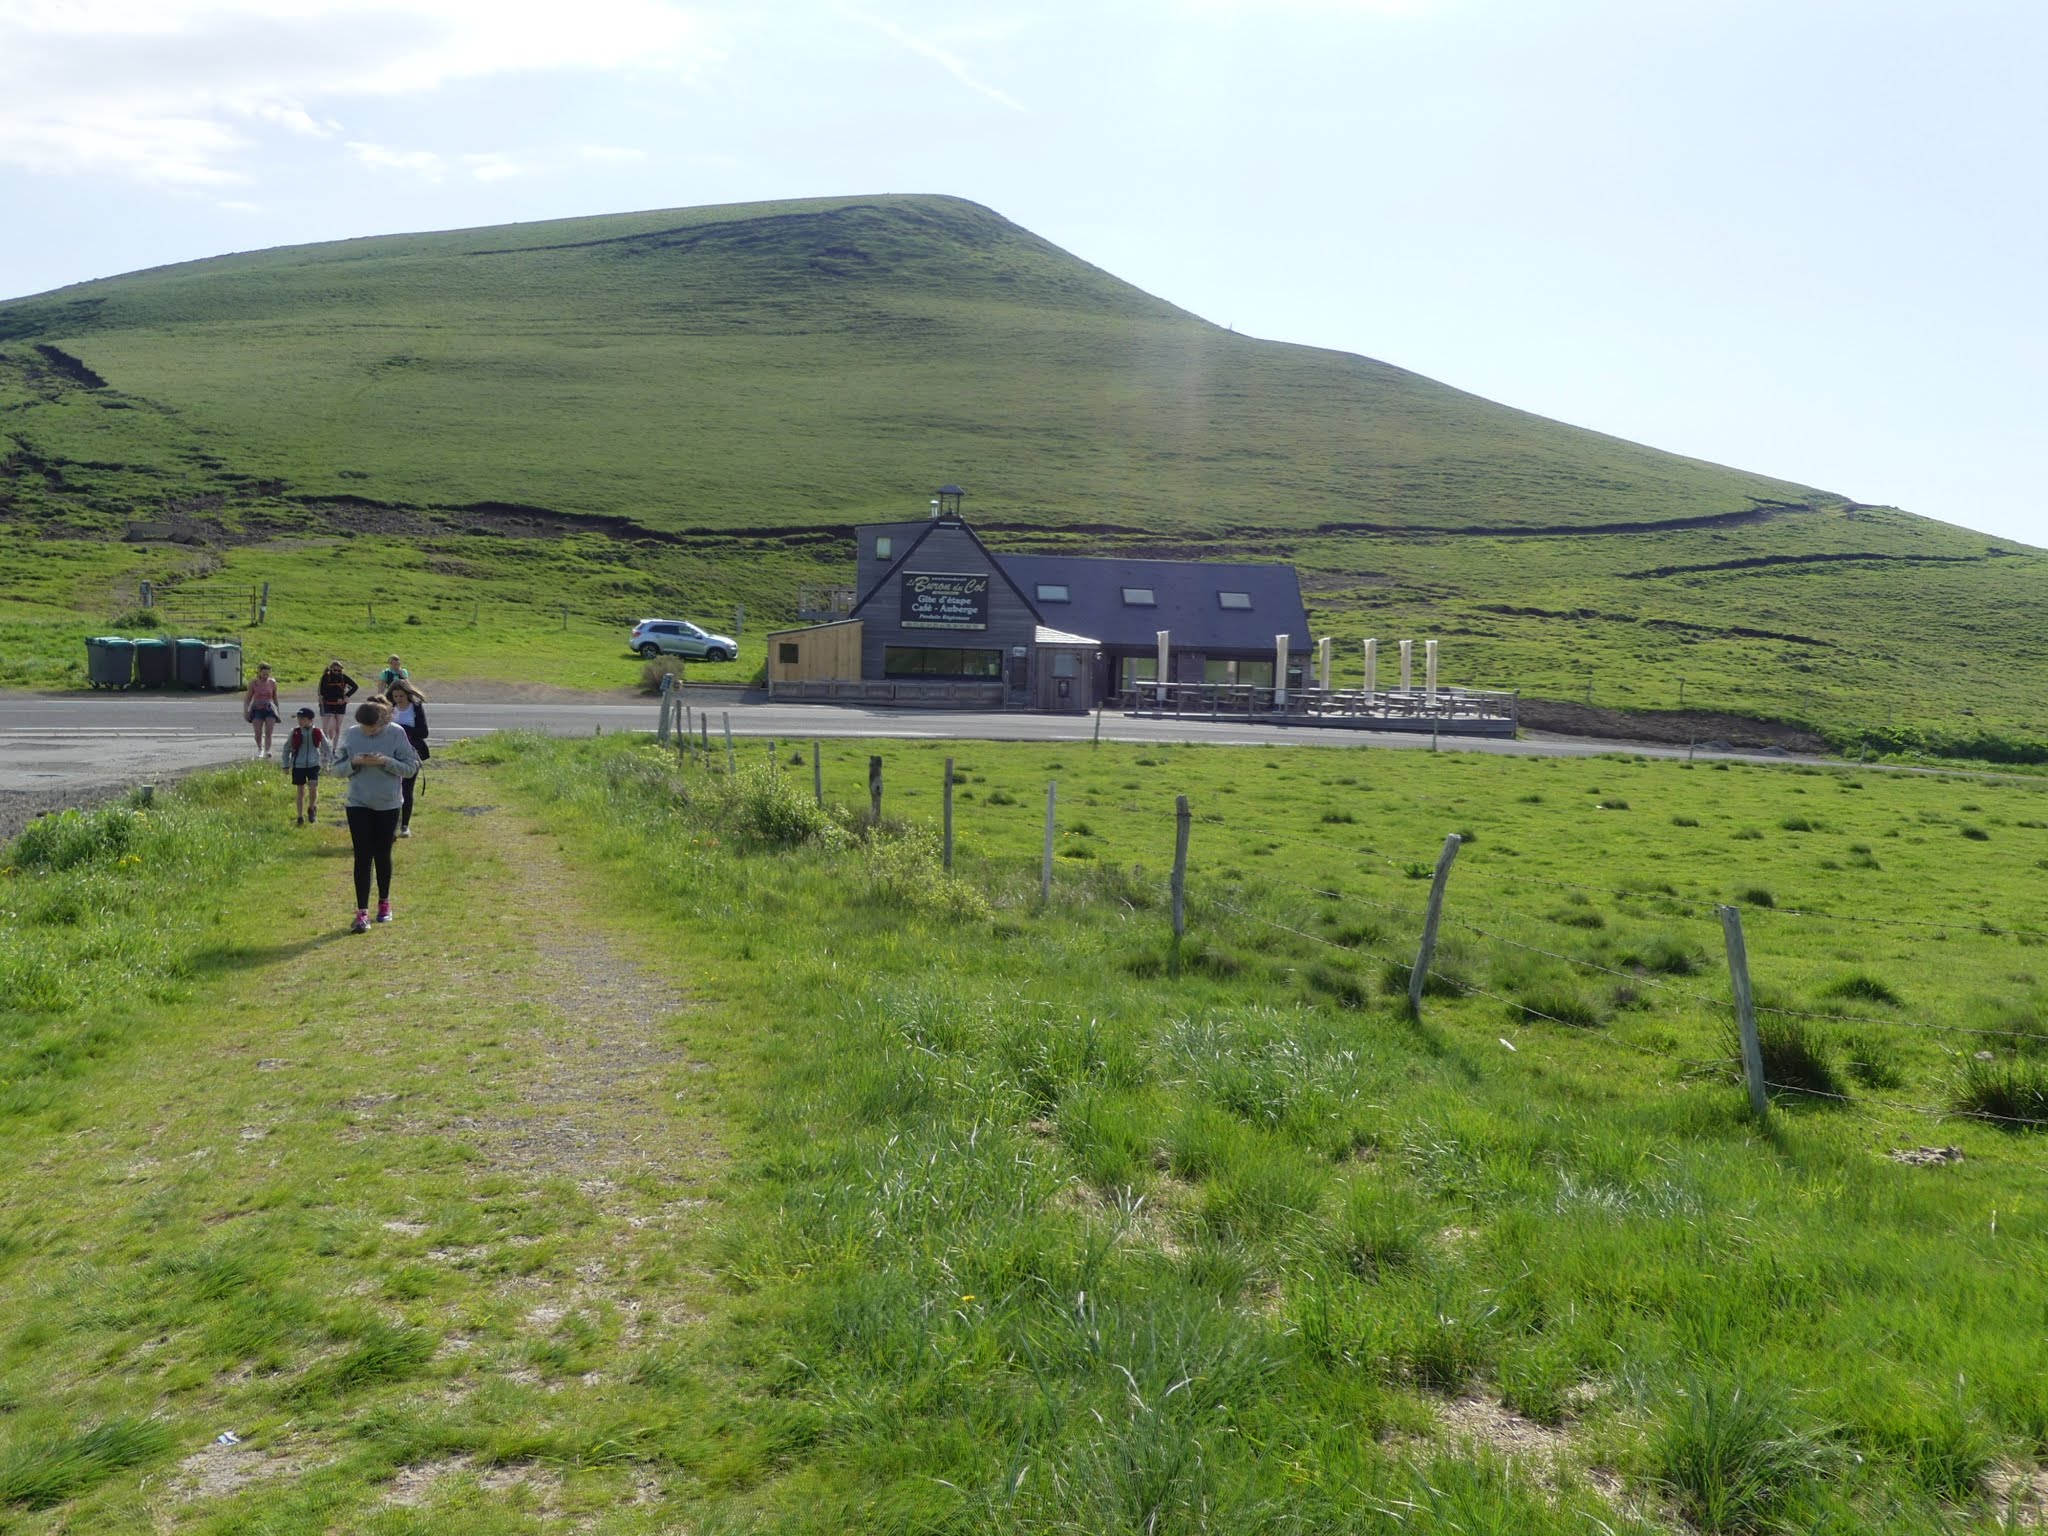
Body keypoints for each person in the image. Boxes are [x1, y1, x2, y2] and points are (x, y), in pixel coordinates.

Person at [334, 697, 419, 933]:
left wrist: (386, 761)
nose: (368, 732)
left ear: (383, 722)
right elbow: (336, 769)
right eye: (364, 727)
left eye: (372, 728)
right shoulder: (352, 734)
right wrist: (354, 762)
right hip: (358, 802)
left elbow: (410, 767)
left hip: (388, 803)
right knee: (362, 855)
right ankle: (362, 912)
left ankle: (384, 902)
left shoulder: (396, 733)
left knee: (382, 854)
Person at [385, 680, 430, 838]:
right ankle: (391, 824)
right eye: (395, 696)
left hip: (411, 753)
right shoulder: (388, 708)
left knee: (407, 789)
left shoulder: (416, 707)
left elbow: (424, 732)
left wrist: (404, 730)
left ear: (408, 695)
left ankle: (404, 825)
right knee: (391, 789)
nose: (398, 699)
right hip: (391, 753)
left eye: (401, 696)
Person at [280, 706, 325, 824]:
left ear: (311, 720)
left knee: (313, 787)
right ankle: (300, 816)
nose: (300, 721)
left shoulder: (317, 732)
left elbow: (327, 748)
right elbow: (286, 749)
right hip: (298, 765)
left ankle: (311, 808)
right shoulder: (295, 732)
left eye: (303, 719)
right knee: (300, 790)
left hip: (313, 764)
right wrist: (285, 765)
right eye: (299, 719)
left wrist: (327, 763)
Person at [317, 661, 358, 764]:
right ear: (330, 669)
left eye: (339, 671)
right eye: (335, 670)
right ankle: (325, 749)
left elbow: (355, 686)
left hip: (340, 704)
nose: (337, 672)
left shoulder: (343, 677)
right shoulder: (326, 677)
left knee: (337, 728)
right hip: (328, 704)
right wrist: (325, 700)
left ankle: (334, 750)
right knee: (326, 727)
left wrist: (346, 696)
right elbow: (322, 692)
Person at [244, 663, 280, 757]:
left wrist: (277, 710)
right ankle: (260, 748)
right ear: (259, 672)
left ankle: (267, 750)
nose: (265, 676)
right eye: (264, 674)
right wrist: (246, 711)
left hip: (269, 708)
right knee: (258, 732)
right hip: (257, 708)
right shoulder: (253, 683)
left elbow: (275, 697)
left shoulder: (272, 682)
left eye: (268, 674)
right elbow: (248, 698)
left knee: (269, 731)